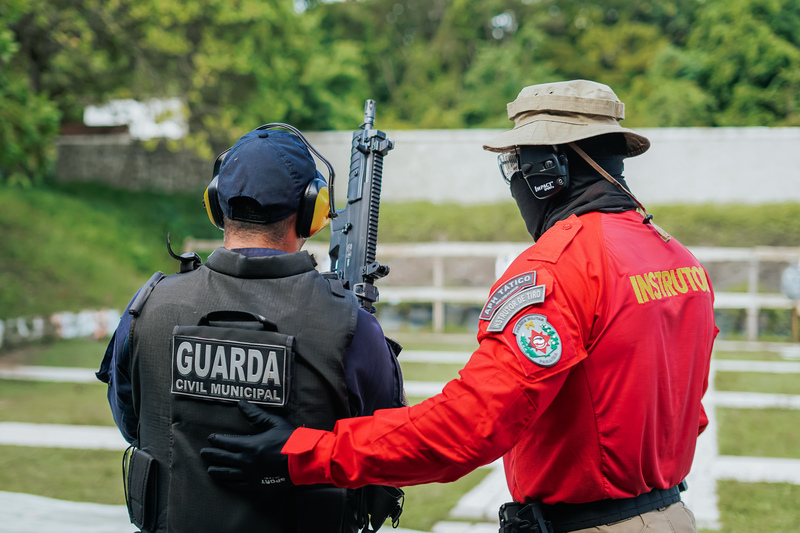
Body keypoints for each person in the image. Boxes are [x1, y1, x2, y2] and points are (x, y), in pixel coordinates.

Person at [200, 80, 717, 533]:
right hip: (670, 515)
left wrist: (301, 454)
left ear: (547, 171)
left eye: (514, 164)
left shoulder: (559, 269)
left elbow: (468, 429)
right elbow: (687, 417)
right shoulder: (678, 259)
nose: (513, 181)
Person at [97, 125, 405, 533]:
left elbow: (133, 422)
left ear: (215, 203)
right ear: (313, 209)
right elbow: (387, 449)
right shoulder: (351, 327)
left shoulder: (149, 307)